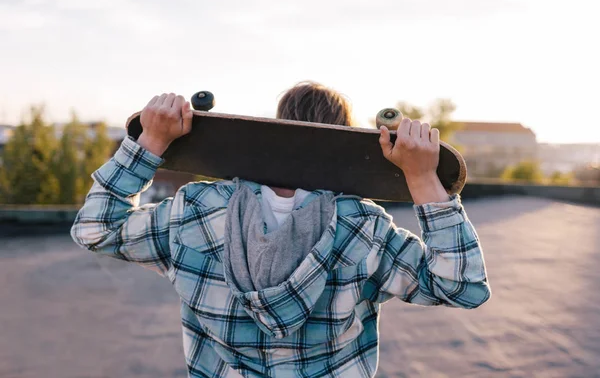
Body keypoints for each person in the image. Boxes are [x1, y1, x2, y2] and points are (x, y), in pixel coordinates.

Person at [71, 82, 490, 378]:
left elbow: (95, 228)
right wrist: (421, 178)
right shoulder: (364, 228)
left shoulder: (198, 209)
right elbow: (462, 286)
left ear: (275, 130)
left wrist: (150, 144)